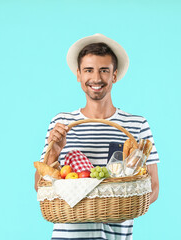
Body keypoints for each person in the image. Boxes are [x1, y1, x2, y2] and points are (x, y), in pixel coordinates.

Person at [34, 33, 160, 240]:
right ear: (78, 75)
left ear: (114, 75)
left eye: (104, 70)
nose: (96, 78)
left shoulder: (136, 125)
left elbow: (153, 188)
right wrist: (54, 153)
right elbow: (41, 187)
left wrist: (118, 203)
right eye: (88, 70)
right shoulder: (61, 123)